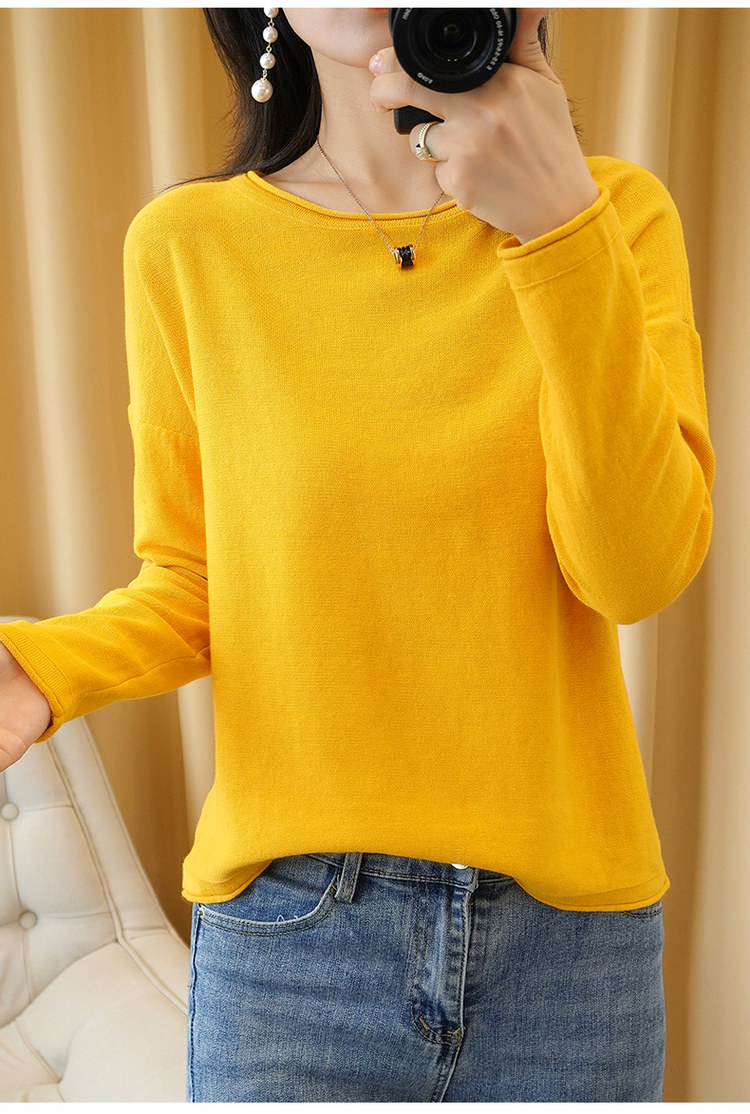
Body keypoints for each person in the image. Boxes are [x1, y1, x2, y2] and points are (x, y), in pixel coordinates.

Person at [0, 6, 714, 1103]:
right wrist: (41, 667)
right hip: (293, 949)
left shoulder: (612, 214)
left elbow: (635, 569)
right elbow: (196, 581)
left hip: (572, 954)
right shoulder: (188, 247)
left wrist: (557, 231)